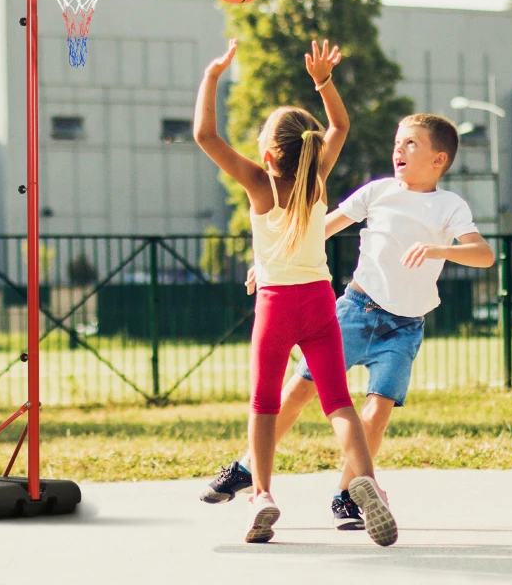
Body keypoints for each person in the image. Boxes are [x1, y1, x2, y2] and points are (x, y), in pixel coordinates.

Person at [200, 112, 495, 530]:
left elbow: (484, 255)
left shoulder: (450, 206)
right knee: (301, 392)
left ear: (439, 160)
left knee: (377, 411)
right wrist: (268, 260)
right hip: (357, 310)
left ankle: (348, 493)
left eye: (411, 143)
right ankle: (248, 465)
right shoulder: (377, 192)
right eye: (397, 141)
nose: (398, 149)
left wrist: (440, 250)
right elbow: (316, 226)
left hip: (405, 326)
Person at [193, 37, 397, 546]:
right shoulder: (317, 179)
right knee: (339, 404)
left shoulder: (259, 183)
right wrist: (324, 82)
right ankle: (365, 481)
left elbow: (203, 134)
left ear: (267, 152)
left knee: (264, 404)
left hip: (277, 305)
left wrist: (213, 76)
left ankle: (261, 494)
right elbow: (341, 126)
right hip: (319, 302)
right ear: (307, 148)